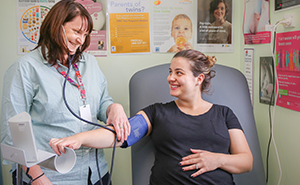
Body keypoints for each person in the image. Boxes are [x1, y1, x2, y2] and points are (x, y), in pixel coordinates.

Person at [50, 49, 253, 184]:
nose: (170, 78)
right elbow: (119, 134)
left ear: (198, 78)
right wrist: (78, 139)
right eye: (170, 71)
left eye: (179, 73)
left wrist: (216, 160)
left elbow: (246, 162)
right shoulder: (157, 112)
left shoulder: (223, 113)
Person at [1, 0, 130, 185]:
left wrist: (114, 108)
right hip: (49, 175)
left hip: (94, 172)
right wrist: (36, 176)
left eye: (85, 34)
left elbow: (101, 103)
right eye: (77, 31)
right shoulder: (25, 68)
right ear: (56, 26)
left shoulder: (90, 63)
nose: (81, 40)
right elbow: (13, 131)